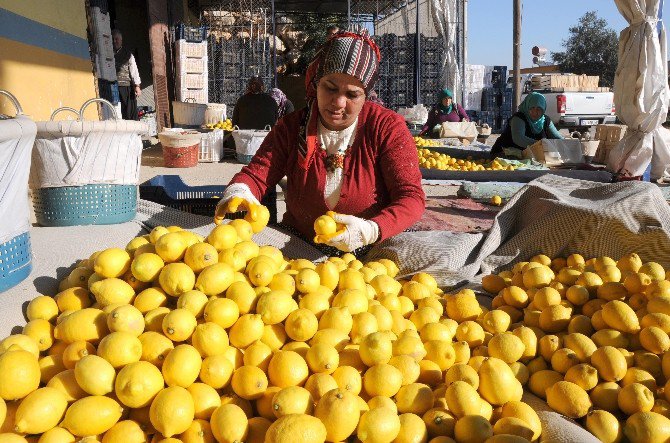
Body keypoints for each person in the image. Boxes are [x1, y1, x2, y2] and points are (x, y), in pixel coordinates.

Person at [215, 29, 425, 255]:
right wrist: (241, 191)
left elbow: (410, 197)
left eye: (352, 95)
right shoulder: (292, 128)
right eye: (330, 88)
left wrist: (370, 230)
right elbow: (257, 175)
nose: (338, 102)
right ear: (316, 83)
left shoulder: (386, 128)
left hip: (368, 251)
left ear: (366, 95)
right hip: (298, 246)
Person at [490, 92, 563, 158]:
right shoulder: (518, 118)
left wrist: (567, 146)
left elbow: (558, 139)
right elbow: (519, 139)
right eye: (532, 108)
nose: (535, 112)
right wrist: (542, 145)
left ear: (543, 109)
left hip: (531, 157)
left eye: (539, 109)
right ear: (527, 107)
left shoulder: (546, 120)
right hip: (504, 155)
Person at [112, 29, 141, 120]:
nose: (114, 41)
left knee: (129, 112)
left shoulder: (128, 54)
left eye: (116, 39)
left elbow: (134, 70)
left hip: (126, 86)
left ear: (121, 40)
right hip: (112, 86)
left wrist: (137, 86)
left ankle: (134, 131)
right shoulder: (108, 54)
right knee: (116, 111)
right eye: (113, 39)